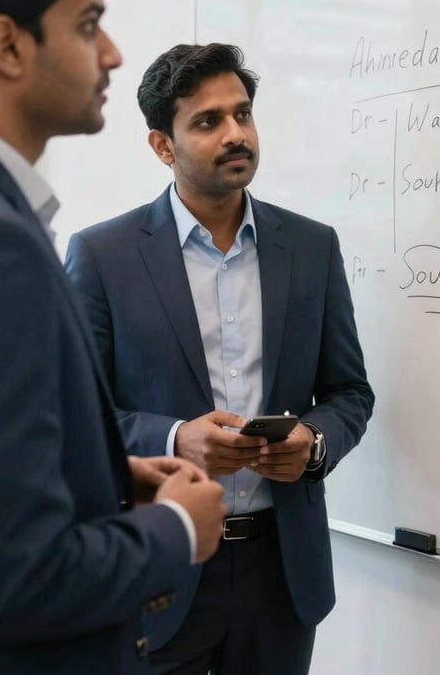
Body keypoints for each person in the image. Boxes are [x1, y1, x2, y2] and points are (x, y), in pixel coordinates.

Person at [0, 0, 227, 675]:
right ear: (6, 44)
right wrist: (175, 528)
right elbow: (13, 582)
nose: (111, 53)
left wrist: (98, 478)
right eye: (87, 23)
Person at [64, 41, 375, 675]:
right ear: (163, 145)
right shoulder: (102, 255)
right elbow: (73, 418)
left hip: (280, 572)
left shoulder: (312, 246)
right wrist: (176, 439)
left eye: (242, 114)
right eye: (208, 121)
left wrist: (312, 443)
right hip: (161, 561)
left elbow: (349, 392)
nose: (235, 134)